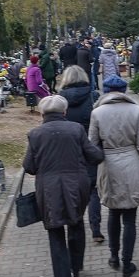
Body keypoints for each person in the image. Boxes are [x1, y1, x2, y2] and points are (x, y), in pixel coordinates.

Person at [22, 95, 104, 277]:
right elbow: (94, 155)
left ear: (42, 114)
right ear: (64, 112)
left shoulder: (35, 134)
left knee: (55, 231)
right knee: (76, 223)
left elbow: (29, 167)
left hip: (48, 188)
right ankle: (76, 266)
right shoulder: (76, 129)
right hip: (76, 185)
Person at [89, 75, 139, 277]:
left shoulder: (97, 113)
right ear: (124, 91)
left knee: (113, 213)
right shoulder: (135, 110)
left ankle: (113, 256)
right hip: (132, 164)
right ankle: (128, 263)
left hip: (108, 166)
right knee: (129, 217)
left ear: (106, 91)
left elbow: (91, 145)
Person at [58, 66, 102, 242]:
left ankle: (75, 226)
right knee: (93, 191)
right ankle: (96, 229)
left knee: (72, 190)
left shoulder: (60, 99)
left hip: (68, 150)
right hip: (89, 147)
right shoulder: (93, 96)